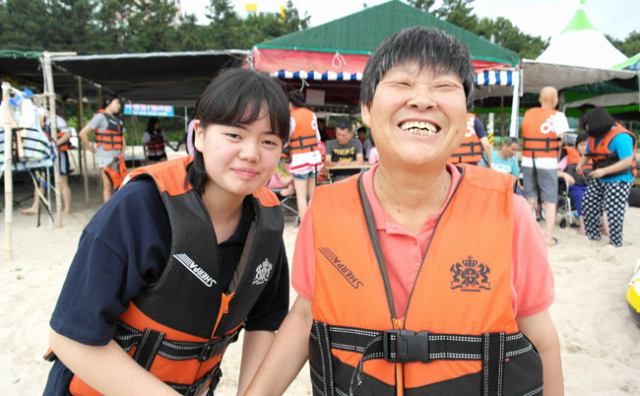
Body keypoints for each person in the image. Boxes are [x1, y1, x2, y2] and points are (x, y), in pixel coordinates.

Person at [245, 27, 563, 396]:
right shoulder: (326, 211)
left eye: (444, 86)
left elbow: (543, 339)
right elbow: (303, 317)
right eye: (402, 83)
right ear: (366, 109)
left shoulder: (510, 212)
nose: (423, 100)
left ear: (465, 121)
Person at [43, 68, 291, 396]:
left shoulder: (268, 225)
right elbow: (70, 336)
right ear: (199, 135)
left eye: (269, 141)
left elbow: (264, 322)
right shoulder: (141, 207)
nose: (251, 153)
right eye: (234, 134)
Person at [578, 108, 637, 247]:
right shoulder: (594, 135)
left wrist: (604, 171)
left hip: (620, 178)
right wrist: (581, 164)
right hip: (600, 175)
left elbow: (626, 161)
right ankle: (593, 235)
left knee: (613, 208)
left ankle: (615, 242)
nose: (588, 132)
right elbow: (588, 152)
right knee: (588, 202)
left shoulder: (621, 137)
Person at [521, 86, 570, 245]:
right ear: (555, 101)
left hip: (527, 160)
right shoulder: (558, 116)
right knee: (550, 201)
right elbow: (561, 138)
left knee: (530, 199)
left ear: (540, 99)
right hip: (547, 162)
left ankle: (524, 236)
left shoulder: (528, 114)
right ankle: (548, 237)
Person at [21, 114, 73, 215]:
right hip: (44, 154)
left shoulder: (57, 119)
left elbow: (67, 134)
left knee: (63, 183)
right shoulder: (36, 120)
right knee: (40, 181)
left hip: (59, 154)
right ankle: (35, 207)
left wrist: (53, 145)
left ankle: (67, 209)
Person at [78, 95, 125, 203]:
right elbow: (82, 133)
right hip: (106, 157)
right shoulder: (100, 117)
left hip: (117, 157)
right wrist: (91, 149)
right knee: (108, 185)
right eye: (117, 103)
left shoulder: (116, 119)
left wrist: (122, 153)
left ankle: (115, 207)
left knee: (118, 184)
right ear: (108, 102)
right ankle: (108, 210)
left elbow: (122, 138)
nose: (118, 106)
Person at [287, 91, 324, 222]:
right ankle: (315, 222)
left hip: (300, 159)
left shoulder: (292, 116)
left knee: (301, 196)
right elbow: (318, 137)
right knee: (313, 194)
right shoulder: (312, 114)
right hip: (315, 158)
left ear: (290, 104)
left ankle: (304, 225)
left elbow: (287, 138)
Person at [557, 132, 593, 235]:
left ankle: (604, 227)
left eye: (587, 145)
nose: (584, 148)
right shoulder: (568, 157)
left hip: (591, 186)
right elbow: (555, 171)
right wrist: (565, 176)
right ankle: (583, 226)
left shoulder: (594, 159)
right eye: (582, 145)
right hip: (575, 186)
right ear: (576, 145)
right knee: (580, 197)